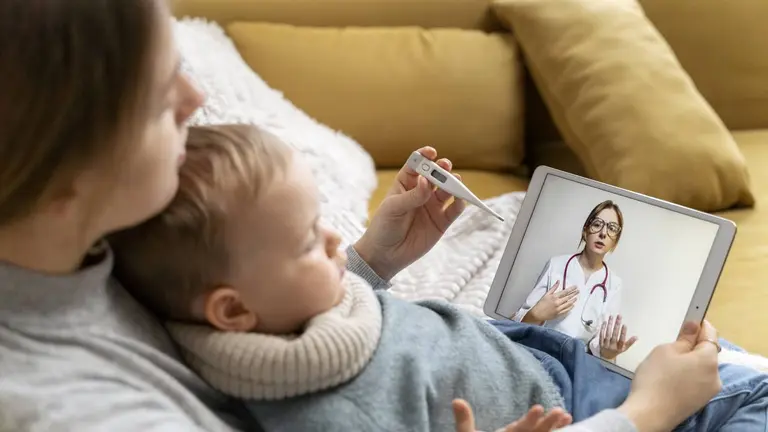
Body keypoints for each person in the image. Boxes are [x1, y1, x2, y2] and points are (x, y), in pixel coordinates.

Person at [0, 1, 757, 430]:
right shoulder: (72, 406)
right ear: (64, 162)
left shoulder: (93, 249)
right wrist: (646, 414)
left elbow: (246, 318)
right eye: (157, 95)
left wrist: (362, 266)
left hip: (537, 365)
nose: (195, 101)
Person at [109, 123, 768, 432]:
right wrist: (647, 412)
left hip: (546, 356)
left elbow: (318, 309)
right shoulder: (327, 417)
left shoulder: (282, 324)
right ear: (230, 311)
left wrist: (377, 258)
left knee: (724, 364)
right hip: (586, 411)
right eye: (311, 239)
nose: (334, 238)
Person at [512, 200, 637, 361]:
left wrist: (608, 352)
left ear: (615, 242)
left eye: (612, 228)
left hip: (577, 362)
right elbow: (519, 319)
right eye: (597, 224)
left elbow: (600, 344)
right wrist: (536, 314)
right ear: (585, 231)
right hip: (540, 351)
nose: (603, 233)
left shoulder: (614, 284)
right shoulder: (556, 264)